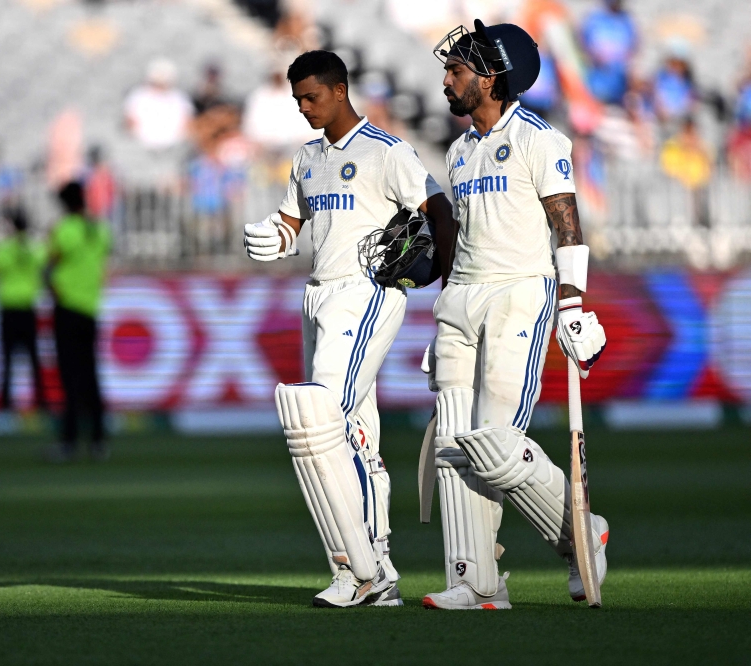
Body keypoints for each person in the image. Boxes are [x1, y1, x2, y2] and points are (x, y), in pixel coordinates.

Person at [244, 50, 455, 608]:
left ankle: (356, 569)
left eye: (311, 96)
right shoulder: (307, 157)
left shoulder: (386, 151)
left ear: (340, 90)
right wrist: (273, 236)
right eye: (297, 99)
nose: (304, 107)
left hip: (366, 292)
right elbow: (294, 221)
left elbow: (439, 211)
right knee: (356, 435)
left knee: (319, 421)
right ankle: (375, 565)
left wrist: (445, 283)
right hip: (318, 294)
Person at [422, 21, 610, 610]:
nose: (446, 80)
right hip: (460, 299)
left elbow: (567, 225)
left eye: (456, 70)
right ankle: (475, 582)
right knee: (454, 447)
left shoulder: (540, 139)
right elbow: (462, 243)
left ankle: (581, 533)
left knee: (495, 444)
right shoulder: (459, 151)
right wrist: (443, 302)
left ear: (491, 78)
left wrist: (572, 303)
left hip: (519, 296)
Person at [48, 182, 112, 462]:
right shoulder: (99, 229)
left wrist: (54, 287)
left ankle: (69, 442)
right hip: (91, 308)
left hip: (67, 307)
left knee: (70, 379)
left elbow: (51, 264)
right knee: (91, 376)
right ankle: (98, 441)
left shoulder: (64, 229)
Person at [0, 207, 48, 413]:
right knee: (34, 359)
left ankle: (6, 404)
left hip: (8, 309)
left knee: (7, 360)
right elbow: (44, 259)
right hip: (28, 309)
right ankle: (41, 403)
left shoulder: (4, 249)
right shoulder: (34, 248)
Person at [123, 58, 194, 150]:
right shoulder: (138, 95)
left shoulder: (179, 97)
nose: (160, 81)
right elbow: (129, 121)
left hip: (173, 144)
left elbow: (188, 122)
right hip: (142, 143)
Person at [579, 0, 638, 105]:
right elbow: (583, 42)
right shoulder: (594, 19)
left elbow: (634, 45)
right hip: (596, 81)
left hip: (620, 83)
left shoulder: (626, 20)